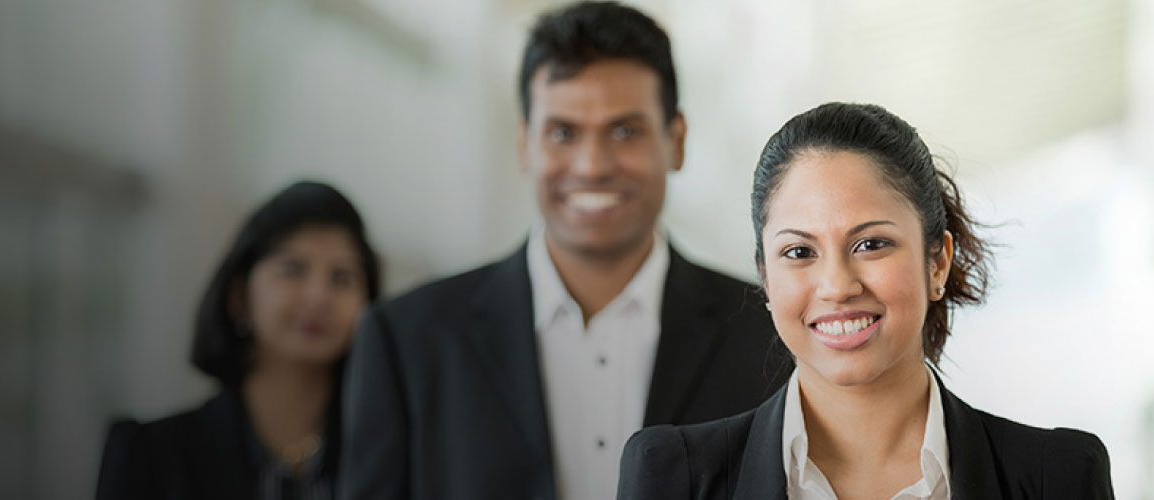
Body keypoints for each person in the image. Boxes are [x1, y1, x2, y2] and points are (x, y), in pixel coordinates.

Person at [337, 2, 791, 500]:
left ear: (675, 141)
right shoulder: (408, 342)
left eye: (624, 131)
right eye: (563, 133)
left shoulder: (772, 338)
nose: (592, 165)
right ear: (524, 144)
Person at [617, 102, 1115, 499]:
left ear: (937, 261)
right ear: (766, 277)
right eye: (799, 251)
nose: (837, 285)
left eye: (870, 244)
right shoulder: (674, 476)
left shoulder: (1059, 477)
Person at [96, 181, 381, 500]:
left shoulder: (390, 454)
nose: (318, 296)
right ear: (238, 297)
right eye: (293, 269)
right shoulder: (152, 455)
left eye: (342, 277)